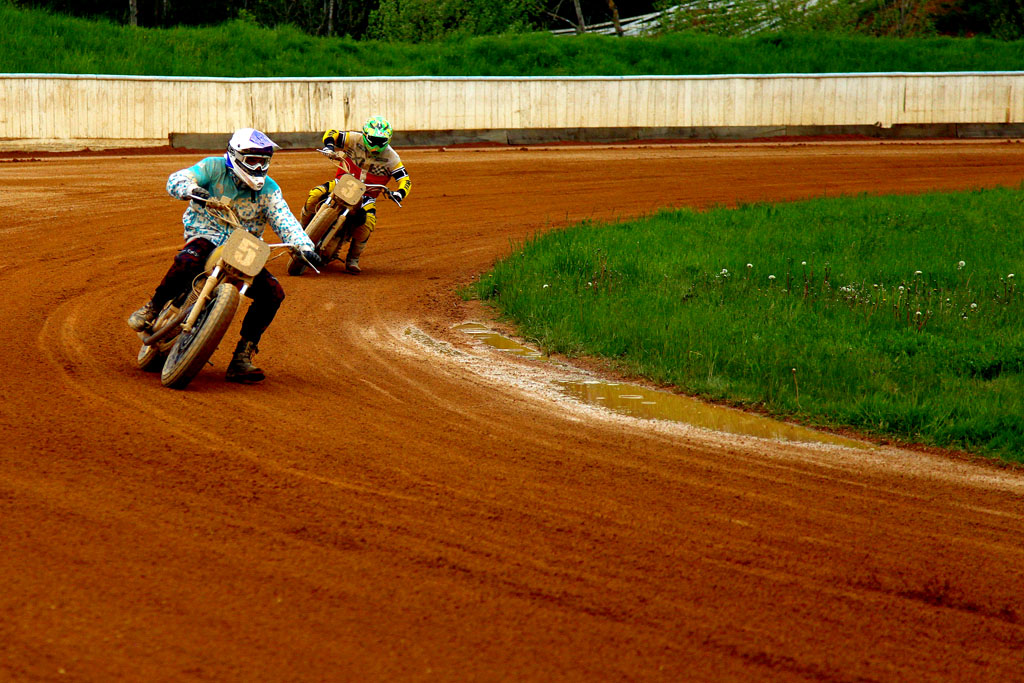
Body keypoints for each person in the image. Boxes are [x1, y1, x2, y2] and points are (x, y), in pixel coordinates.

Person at [127, 128, 321, 383]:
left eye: (263, 161)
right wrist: (190, 189)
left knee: (273, 293)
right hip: (206, 234)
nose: (258, 166)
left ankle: (242, 356)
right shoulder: (212, 167)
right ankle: (152, 307)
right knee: (187, 261)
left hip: (243, 248)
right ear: (236, 155)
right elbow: (178, 179)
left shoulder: (270, 189)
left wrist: (304, 247)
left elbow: (284, 219)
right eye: (252, 160)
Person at [299, 115, 411, 274]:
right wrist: (329, 147)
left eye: (381, 141)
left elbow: (405, 180)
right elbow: (332, 133)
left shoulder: (392, 157)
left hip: (367, 196)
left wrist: (399, 193)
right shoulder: (354, 139)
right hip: (341, 182)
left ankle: (353, 258)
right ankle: (300, 229)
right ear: (365, 135)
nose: (376, 144)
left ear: (388, 140)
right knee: (315, 194)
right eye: (373, 139)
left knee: (367, 224)